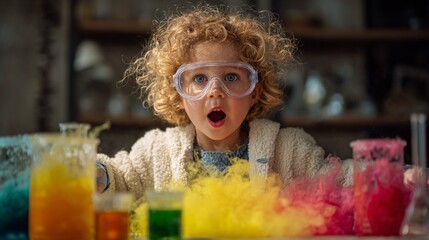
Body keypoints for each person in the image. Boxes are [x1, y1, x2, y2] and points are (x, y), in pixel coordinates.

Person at [95, 4, 419, 198]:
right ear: (179, 94)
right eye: (199, 79)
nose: (215, 91)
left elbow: (339, 180)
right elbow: (121, 177)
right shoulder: (156, 152)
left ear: (255, 92)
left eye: (233, 77)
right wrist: (95, 172)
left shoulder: (288, 150)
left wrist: (396, 175)